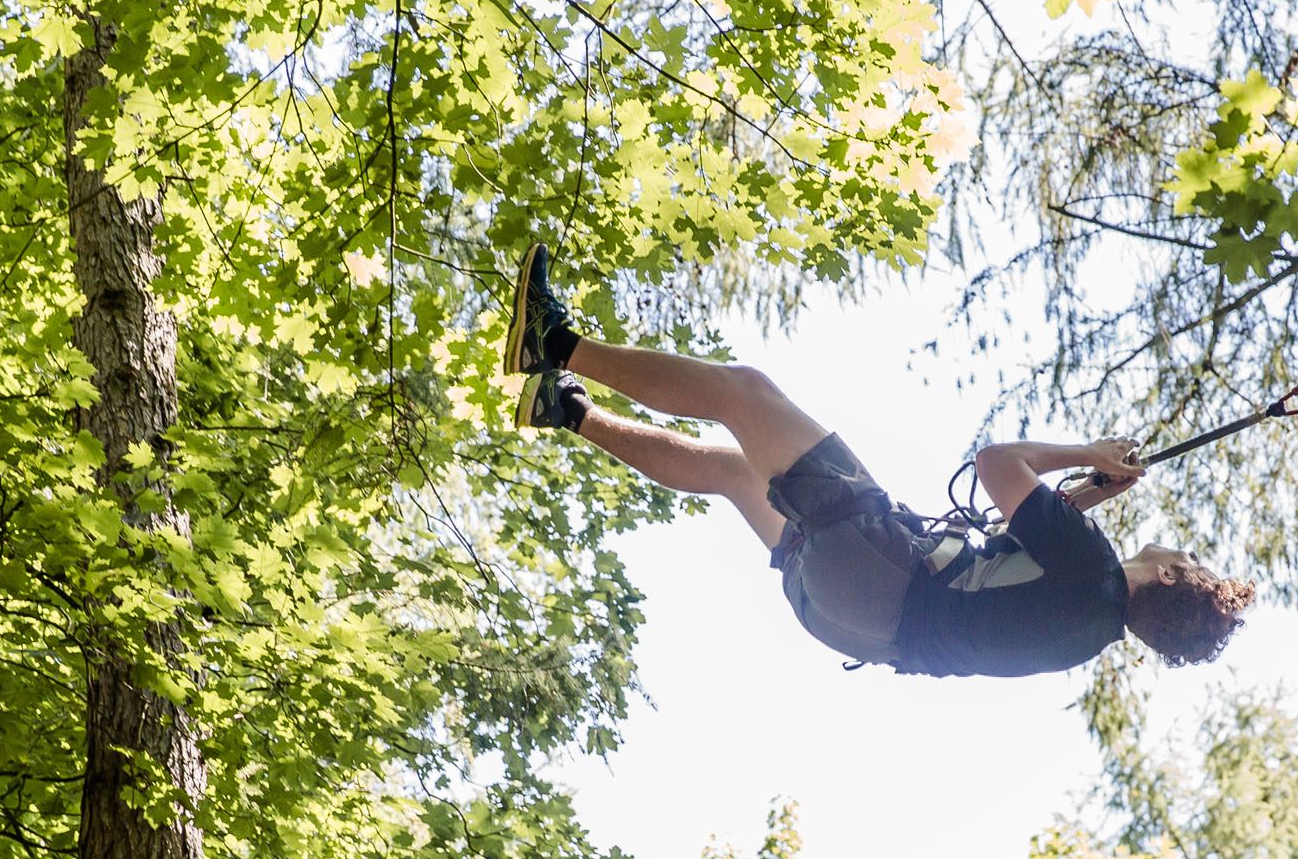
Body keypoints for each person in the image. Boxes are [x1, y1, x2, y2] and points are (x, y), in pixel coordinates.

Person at [502, 243, 1255, 677]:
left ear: (1168, 577)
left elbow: (993, 464)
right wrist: (1083, 494)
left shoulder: (1093, 570)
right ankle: (566, 410)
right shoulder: (1085, 630)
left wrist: (1087, 451)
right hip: (848, 616)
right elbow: (1002, 554)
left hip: (882, 566)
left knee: (745, 393)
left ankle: (554, 343)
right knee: (737, 473)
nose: (1178, 546)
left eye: (1186, 556)